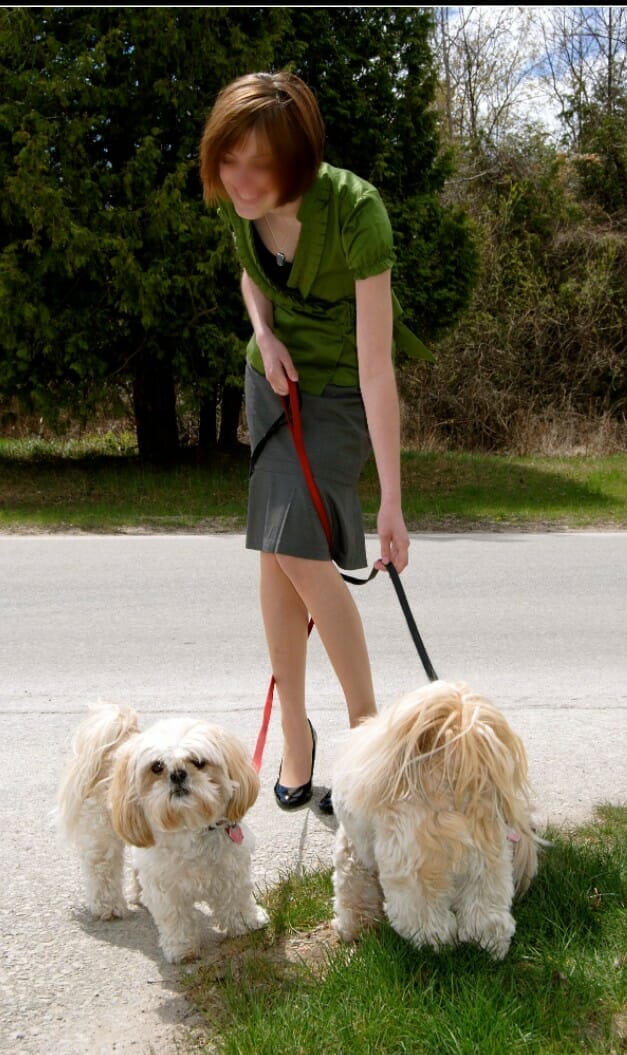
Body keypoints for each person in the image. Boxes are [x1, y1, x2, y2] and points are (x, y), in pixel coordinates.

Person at [199, 71, 431, 815]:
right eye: (229, 160)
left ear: (296, 159)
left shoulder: (357, 212)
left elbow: (376, 366)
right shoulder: (238, 202)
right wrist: (262, 334)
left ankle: (365, 742)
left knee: (299, 554)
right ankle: (298, 738)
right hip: (271, 382)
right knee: (274, 552)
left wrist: (391, 502)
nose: (240, 181)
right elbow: (249, 270)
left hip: (337, 392)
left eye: (259, 165)